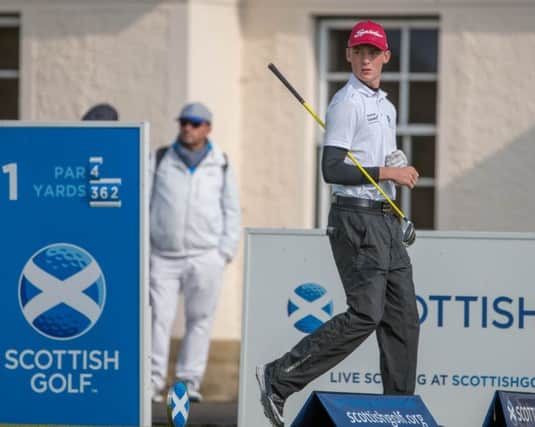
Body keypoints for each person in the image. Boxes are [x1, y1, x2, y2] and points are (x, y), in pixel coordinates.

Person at [256, 20, 421, 426]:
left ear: (386, 57)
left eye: (373, 52)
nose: (366, 60)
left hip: (384, 220)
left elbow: (372, 163)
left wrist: (391, 166)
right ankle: (280, 377)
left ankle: (398, 413)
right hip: (355, 220)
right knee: (366, 314)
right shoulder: (346, 102)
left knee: (402, 320)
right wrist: (387, 172)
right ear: (348, 55)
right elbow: (331, 168)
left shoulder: (385, 105)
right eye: (359, 52)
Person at [149, 102, 241, 403]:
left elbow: (231, 210)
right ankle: (152, 382)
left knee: (200, 319)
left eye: (195, 123)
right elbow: (144, 200)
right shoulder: (160, 158)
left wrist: (224, 252)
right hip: (162, 255)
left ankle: (188, 383)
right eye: (184, 122)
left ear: (208, 128)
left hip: (206, 256)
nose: (188, 128)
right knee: (157, 319)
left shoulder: (221, 162)